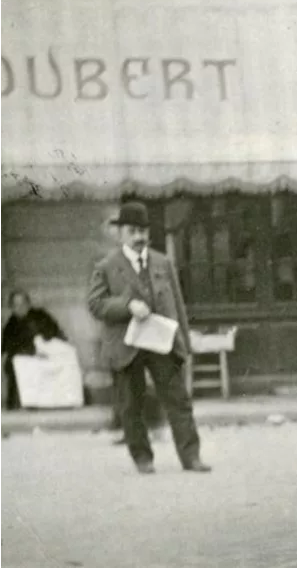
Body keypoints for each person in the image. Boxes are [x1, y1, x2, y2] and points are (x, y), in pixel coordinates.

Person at [87, 202, 211, 474]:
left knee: (178, 399)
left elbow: (177, 305)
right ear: (120, 234)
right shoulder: (106, 267)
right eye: (132, 231)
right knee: (131, 404)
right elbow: (95, 304)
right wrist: (127, 306)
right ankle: (142, 457)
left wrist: (184, 346)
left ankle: (191, 457)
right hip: (126, 343)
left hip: (160, 342)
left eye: (143, 231)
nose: (139, 237)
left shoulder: (162, 262)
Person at [2, 289, 66, 410]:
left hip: (45, 355)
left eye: (22, 304)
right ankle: (17, 405)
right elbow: (7, 348)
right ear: (12, 307)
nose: (20, 308)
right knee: (13, 366)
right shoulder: (10, 325)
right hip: (22, 359)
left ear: (28, 303)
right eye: (15, 305)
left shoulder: (41, 316)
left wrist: (44, 349)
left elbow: (55, 334)